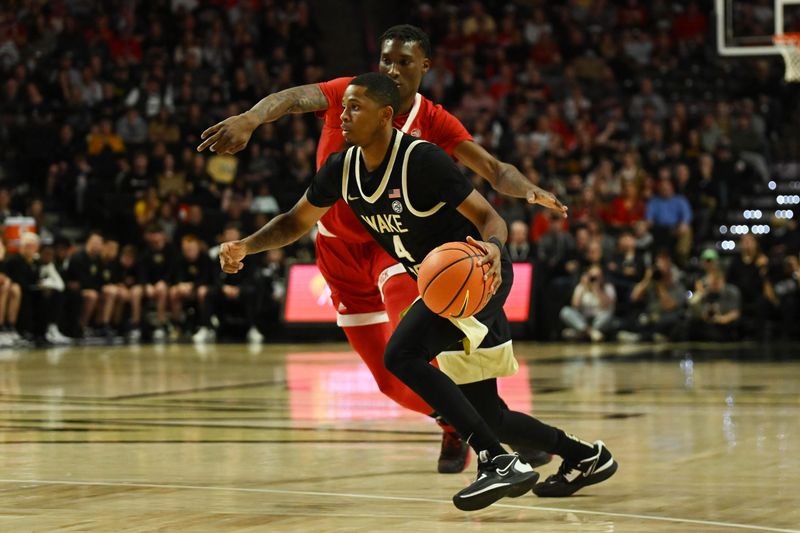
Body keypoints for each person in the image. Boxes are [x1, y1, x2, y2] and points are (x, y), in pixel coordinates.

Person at [217, 74, 616, 511]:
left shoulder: (421, 160)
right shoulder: (341, 167)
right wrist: (246, 246)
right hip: (447, 283)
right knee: (490, 414)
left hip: (479, 272)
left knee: (401, 355)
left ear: (386, 116)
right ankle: (587, 457)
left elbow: (490, 218)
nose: (342, 116)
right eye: (342, 108)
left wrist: (493, 249)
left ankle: (496, 461)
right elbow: (295, 221)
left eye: (354, 108)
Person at [197, 24, 565, 473]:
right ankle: (455, 422)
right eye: (386, 60)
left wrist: (526, 190)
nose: (391, 68)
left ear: (424, 67)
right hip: (335, 252)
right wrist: (251, 118)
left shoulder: (432, 121)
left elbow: (491, 168)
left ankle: (497, 428)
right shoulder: (352, 96)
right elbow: (292, 98)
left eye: (404, 62)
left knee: (413, 353)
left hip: (394, 247)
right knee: (391, 383)